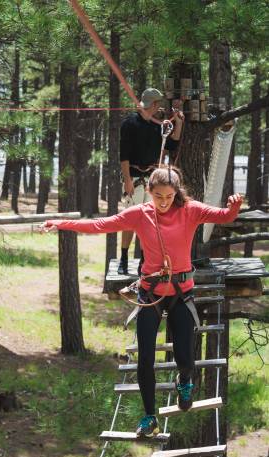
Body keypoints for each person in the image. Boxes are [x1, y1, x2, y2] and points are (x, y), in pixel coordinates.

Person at [41, 167, 242, 437]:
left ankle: (184, 382)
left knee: (184, 356)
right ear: (149, 192)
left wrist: (234, 206)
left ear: (177, 192)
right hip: (150, 292)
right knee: (144, 358)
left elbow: (224, 216)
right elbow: (101, 224)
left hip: (181, 292)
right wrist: (61, 223)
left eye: (169, 196)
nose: (163, 201)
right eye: (157, 195)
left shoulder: (190, 210)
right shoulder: (141, 214)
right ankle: (149, 417)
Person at [118, 88, 184, 275]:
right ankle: (124, 258)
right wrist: (127, 180)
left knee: (148, 221)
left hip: (151, 180)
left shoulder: (157, 126)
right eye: (158, 104)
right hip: (135, 178)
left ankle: (143, 261)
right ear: (153, 104)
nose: (160, 107)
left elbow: (172, 143)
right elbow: (124, 156)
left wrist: (177, 123)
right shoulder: (129, 124)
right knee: (130, 220)